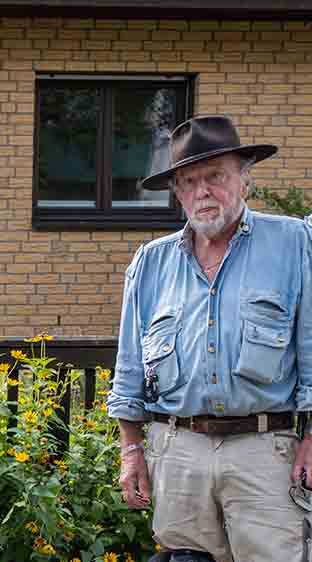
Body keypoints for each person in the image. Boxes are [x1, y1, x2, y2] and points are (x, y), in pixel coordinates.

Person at [107, 115, 312, 561]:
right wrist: (131, 450)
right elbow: (128, 371)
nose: (203, 191)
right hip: (178, 452)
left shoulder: (295, 244)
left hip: (264, 452)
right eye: (189, 181)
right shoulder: (150, 263)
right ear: (178, 192)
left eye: (216, 176)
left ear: (243, 179)